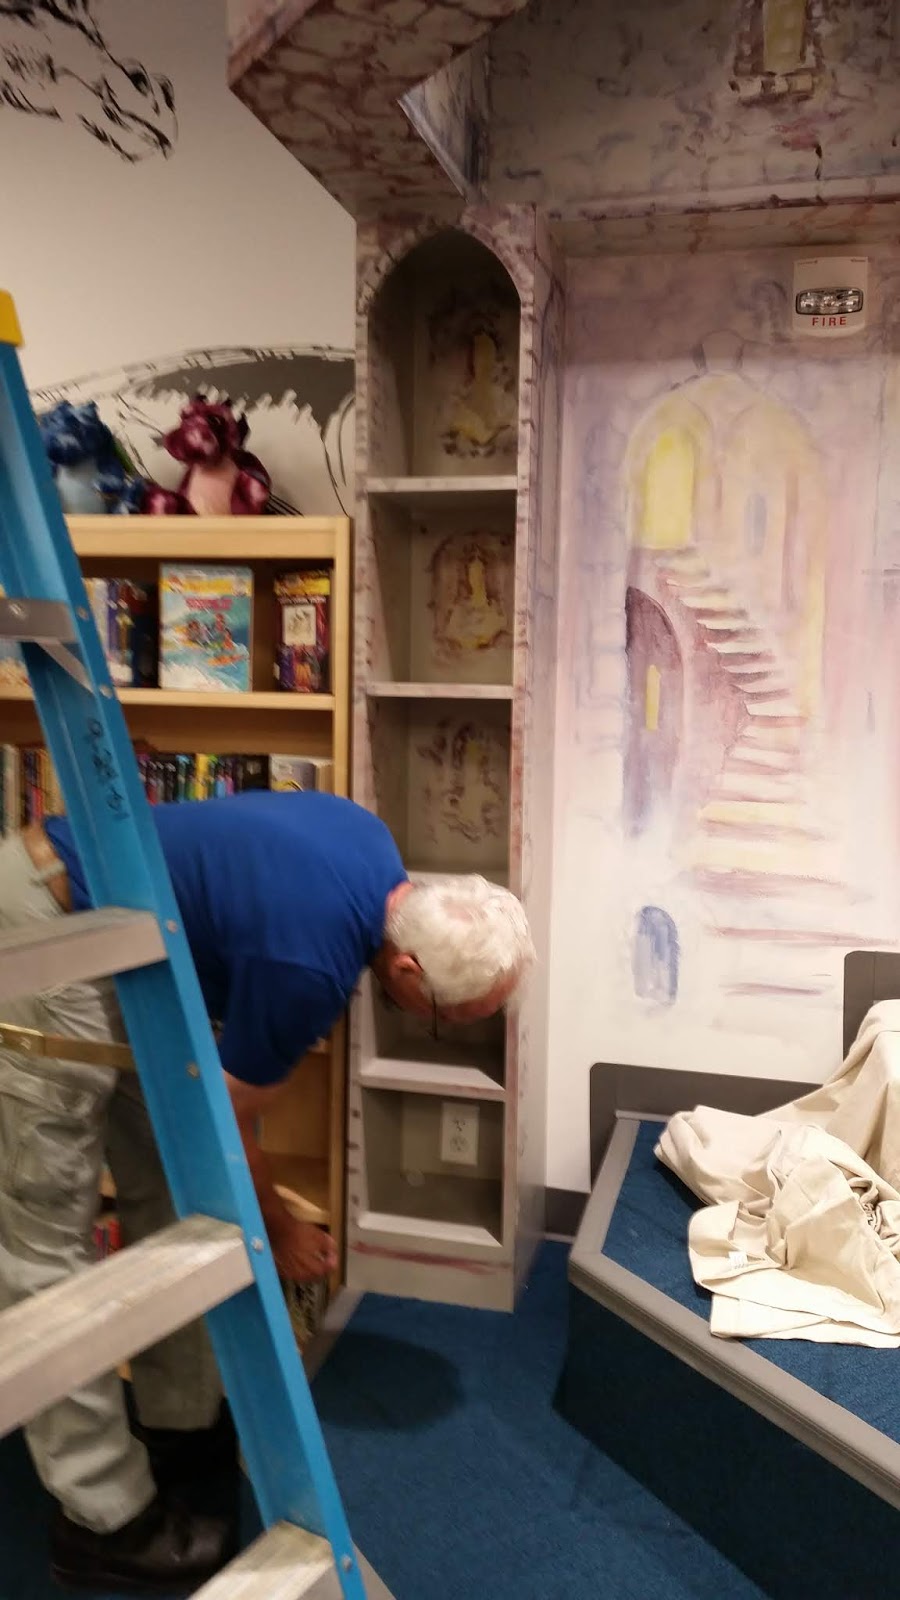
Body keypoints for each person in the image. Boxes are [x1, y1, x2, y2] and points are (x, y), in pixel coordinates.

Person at [0, 789, 533, 1593]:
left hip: (122, 939)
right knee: (47, 1232)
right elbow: (227, 1125)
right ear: (407, 968)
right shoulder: (309, 970)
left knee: (171, 1193)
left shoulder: (372, 844)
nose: (444, 1027)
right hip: (45, 923)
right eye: (443, 1016)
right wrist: (280, 1229)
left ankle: (179, 1423)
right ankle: (101, 1518)